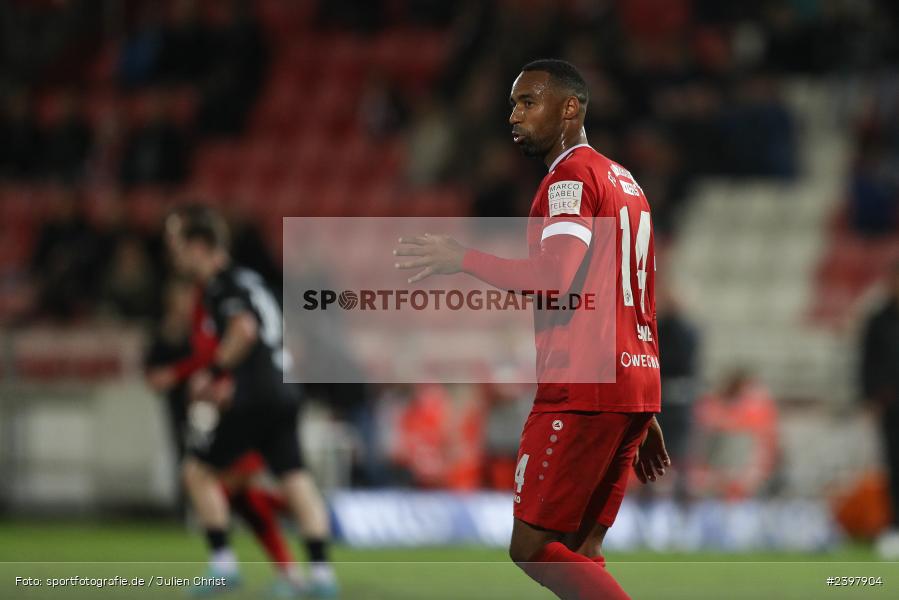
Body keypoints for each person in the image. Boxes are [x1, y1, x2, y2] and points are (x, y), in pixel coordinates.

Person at [394, 59, 669, 600]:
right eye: (512, 104)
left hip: (585, 387)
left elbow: (556, 278)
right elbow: (637, 294)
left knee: (533, 547)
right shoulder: (625, 180)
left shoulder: (570, 178)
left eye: (527, 102)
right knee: (581, 550)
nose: (513, 115)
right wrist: (643, 404)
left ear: (570, 109)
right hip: (632, 380)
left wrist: (463, 258)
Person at [170, 206, 338, 598]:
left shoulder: (221, 284)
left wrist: (211, 372)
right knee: (295, 479)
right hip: (286, 387)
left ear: (199, 246)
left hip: (256, 392)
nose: (175, 256)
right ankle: (321, 577)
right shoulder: (252, 279)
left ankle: (223, 566)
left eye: (178, 247)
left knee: (197, 471)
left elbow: (243, 330)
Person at [860, 261, 899, 558]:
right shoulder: (877, 319)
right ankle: (895, 529)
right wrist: (870, 398)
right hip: (891, 406)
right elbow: (866, 364)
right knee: (893, 469)